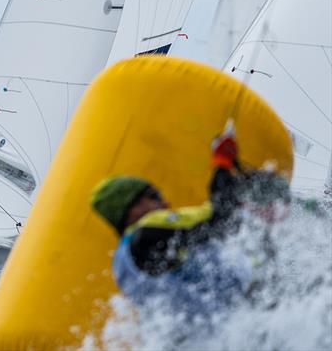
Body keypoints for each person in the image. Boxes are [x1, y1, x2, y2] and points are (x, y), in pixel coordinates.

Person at [90, 120, 290, 317]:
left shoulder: (120, 265)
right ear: (132, 208)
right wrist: (222, 164)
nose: (165, 203)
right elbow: (220, 217)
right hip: (234, 326)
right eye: (154, 196)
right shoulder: (151, 228)